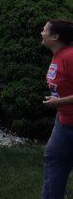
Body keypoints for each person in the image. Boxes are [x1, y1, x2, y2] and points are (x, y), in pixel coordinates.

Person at [42, 18, 73, 199]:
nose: (41, 33)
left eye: (44, 30)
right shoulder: (58, 54)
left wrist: (59, 102)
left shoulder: (69, 56)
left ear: (55, 36)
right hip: (64, 122)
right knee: (53, 161)